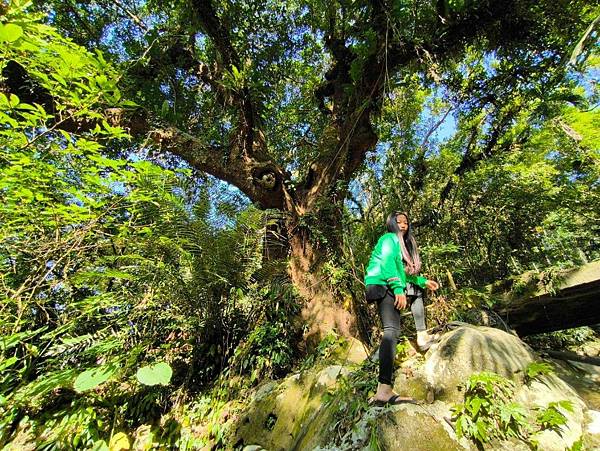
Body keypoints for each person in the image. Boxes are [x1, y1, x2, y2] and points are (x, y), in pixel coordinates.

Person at [364, 211, 440, 405]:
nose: (403, 224)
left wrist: (423, 281)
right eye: (399, 222)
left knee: (394, 327)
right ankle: (384, 390)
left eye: (406, 222)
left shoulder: (399, 245)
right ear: (391, 224)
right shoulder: (389, 239)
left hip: (381, 282)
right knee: (391, 331)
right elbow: (388, 263)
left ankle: (384, 389)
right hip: (382, 283)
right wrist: (398, 289)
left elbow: (403, 274)